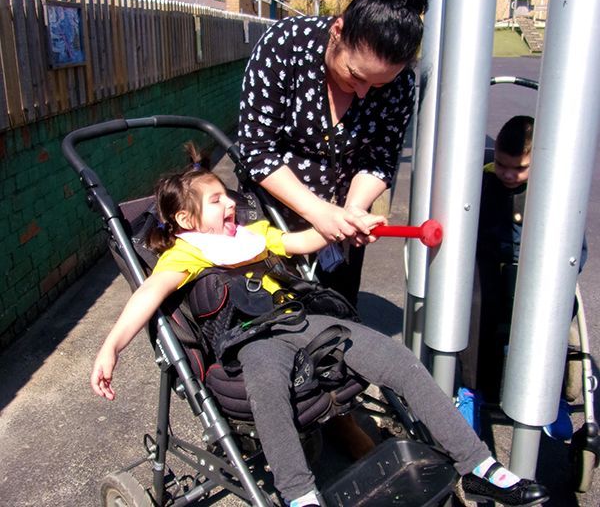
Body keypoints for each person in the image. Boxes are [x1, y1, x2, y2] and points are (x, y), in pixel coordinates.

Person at [91, 149, 549, 507]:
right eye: (217, 200)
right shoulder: (184, 255)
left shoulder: (252, 236)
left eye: (228, 194)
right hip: (251, 340)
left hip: (301, 320)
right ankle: (300, 493)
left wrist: (343, 226)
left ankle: (479, 468)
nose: (231, 203)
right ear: (188, 221)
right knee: (267, 388)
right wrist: (111, 348)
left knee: (398, 359)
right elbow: (147, 296)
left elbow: (299, 241)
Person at [238, 0, 433, 305]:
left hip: (340, 223)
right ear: (337, 30)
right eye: (356, 76)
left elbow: (379, 159)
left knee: (335, 314)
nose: (362, 93)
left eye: (378, 86)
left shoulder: (401, 84)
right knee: (267, 315)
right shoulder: (285, 46)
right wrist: (320, 212)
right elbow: (257, 150)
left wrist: (352, 212)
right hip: (268, 216)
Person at [457, 116, 586, 439]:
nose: (509, 174)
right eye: (501, 164)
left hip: (535, 269)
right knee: (472, 300)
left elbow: (576, 250)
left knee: (553, 304)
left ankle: (550, 394)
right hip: (487, 268)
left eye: (520, 168)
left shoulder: (554, 192)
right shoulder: (484, 182)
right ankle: (471, 390)